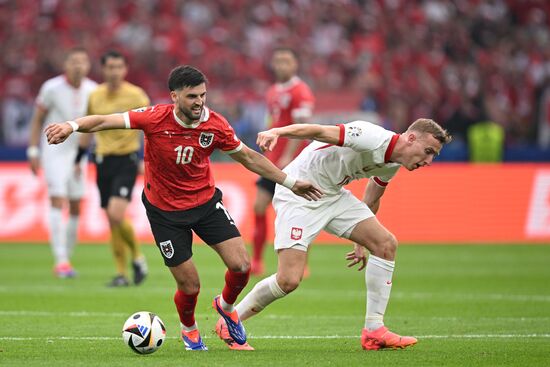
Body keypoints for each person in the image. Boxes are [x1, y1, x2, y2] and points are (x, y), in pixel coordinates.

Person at [44, 65, 322, 351]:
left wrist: (290, 182)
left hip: (205, 203)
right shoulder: (154, 118)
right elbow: (105, 121)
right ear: (174, 96)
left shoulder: (215, 124)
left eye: (202, 95)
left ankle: (226, 309)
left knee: (241, 266)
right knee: (190, 285)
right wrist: (72, 126)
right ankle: (189, 328)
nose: (199, 102)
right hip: (164, 212)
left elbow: (249, 157)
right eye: (192, 96)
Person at [215, 118, 452, 350]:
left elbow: (372, 195)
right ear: (411, 138)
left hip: (333, 195)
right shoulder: (371, 136)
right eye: (428, 151)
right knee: (289, 280)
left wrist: (361, 242)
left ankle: (374, 330)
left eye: (434, 155)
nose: (429, 160)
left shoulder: (393, 162)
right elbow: (318, 131)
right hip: (300, 192)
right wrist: (278, 131)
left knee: (385, 244)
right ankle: (230, 318)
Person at [77, 50, 150, 287]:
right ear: (103, 69)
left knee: (116, 213)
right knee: (111, 218)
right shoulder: (95, 95)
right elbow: (89, 126)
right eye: (110, 67)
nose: (115, 72)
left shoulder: (136, 95)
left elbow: (151, 130)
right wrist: (78, 157)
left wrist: (145, 158)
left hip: (127, 159)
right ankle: (121, 273)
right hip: (102, 160)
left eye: (119, 67)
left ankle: (138, 258)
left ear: (125, 69)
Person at [27, 47, 97, 278]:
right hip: (54, 149)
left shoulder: (93, 90)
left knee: (76, 204)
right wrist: (33, 150)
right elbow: (37, 119)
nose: (78, 66)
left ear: (88, 66)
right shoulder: (51, 88)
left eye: (82, 61)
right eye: (74, 61)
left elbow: (93, 126)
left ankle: (67, 256)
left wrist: (82, 155)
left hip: (79, 153)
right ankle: (61, 260)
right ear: (66, 64)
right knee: (58, 198)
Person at [251, 47, 315, 276]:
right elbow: (272, 121)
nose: (281, 66)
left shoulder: (301, 91)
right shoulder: (272, 91)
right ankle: (257, 261)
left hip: (296, 161)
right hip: (273, 161)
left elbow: (303, 129)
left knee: (299, 212)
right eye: (277, 61)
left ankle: (301, 262)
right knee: (259, 206)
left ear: (295, 65)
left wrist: (289, 154)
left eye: (286, 61)